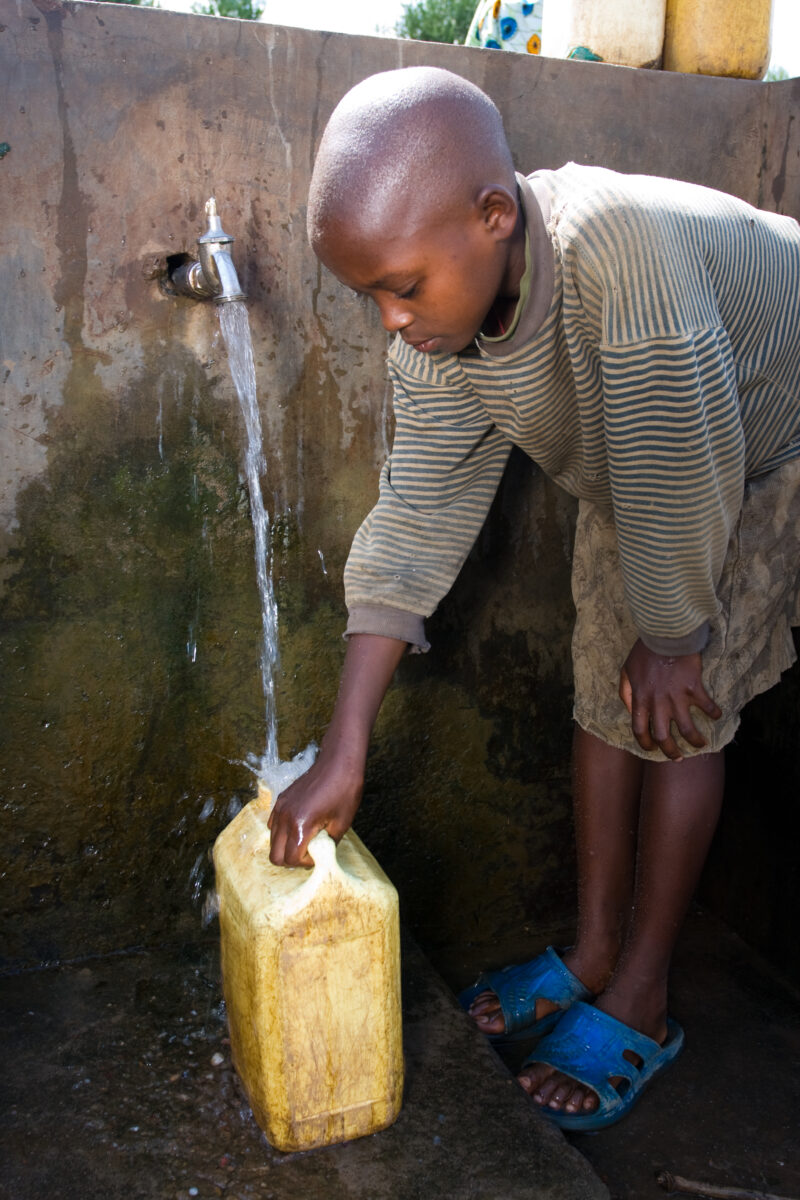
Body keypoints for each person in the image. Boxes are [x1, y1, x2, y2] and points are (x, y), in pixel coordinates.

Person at [267, 65, 800, 1130]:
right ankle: (593, 950)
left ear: (494, 217)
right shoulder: (439, 335)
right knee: (605, 690)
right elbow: (414, 518)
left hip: (758, 441)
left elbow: (689, 476)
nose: (388, 319)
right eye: (368, 293)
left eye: (403, 286)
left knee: (680, 712)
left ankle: (641, 995)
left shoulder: (625, 274)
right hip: (651, 451)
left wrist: (676, 635)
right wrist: (344, 745)